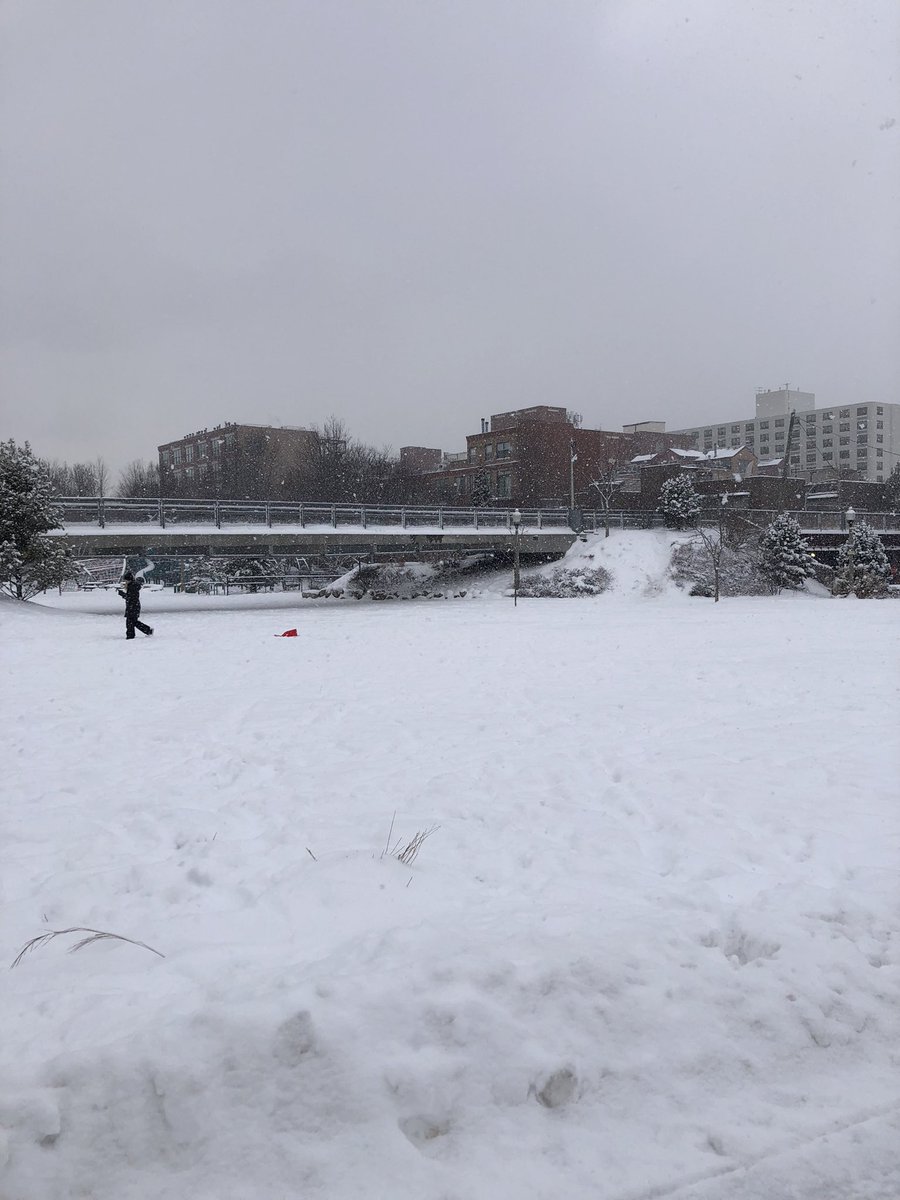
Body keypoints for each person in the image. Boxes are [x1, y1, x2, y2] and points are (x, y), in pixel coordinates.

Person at [117, 570, 153, 639]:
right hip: (134, 606)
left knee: (131, 622)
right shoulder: (132, 586)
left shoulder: (132, 587)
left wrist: (122, 594)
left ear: (129, 580)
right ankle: (147, 630)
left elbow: (130, 597)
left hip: (133, 607)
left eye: (126, 580)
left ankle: (132, 635)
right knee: (133, 622)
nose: (125, 582)